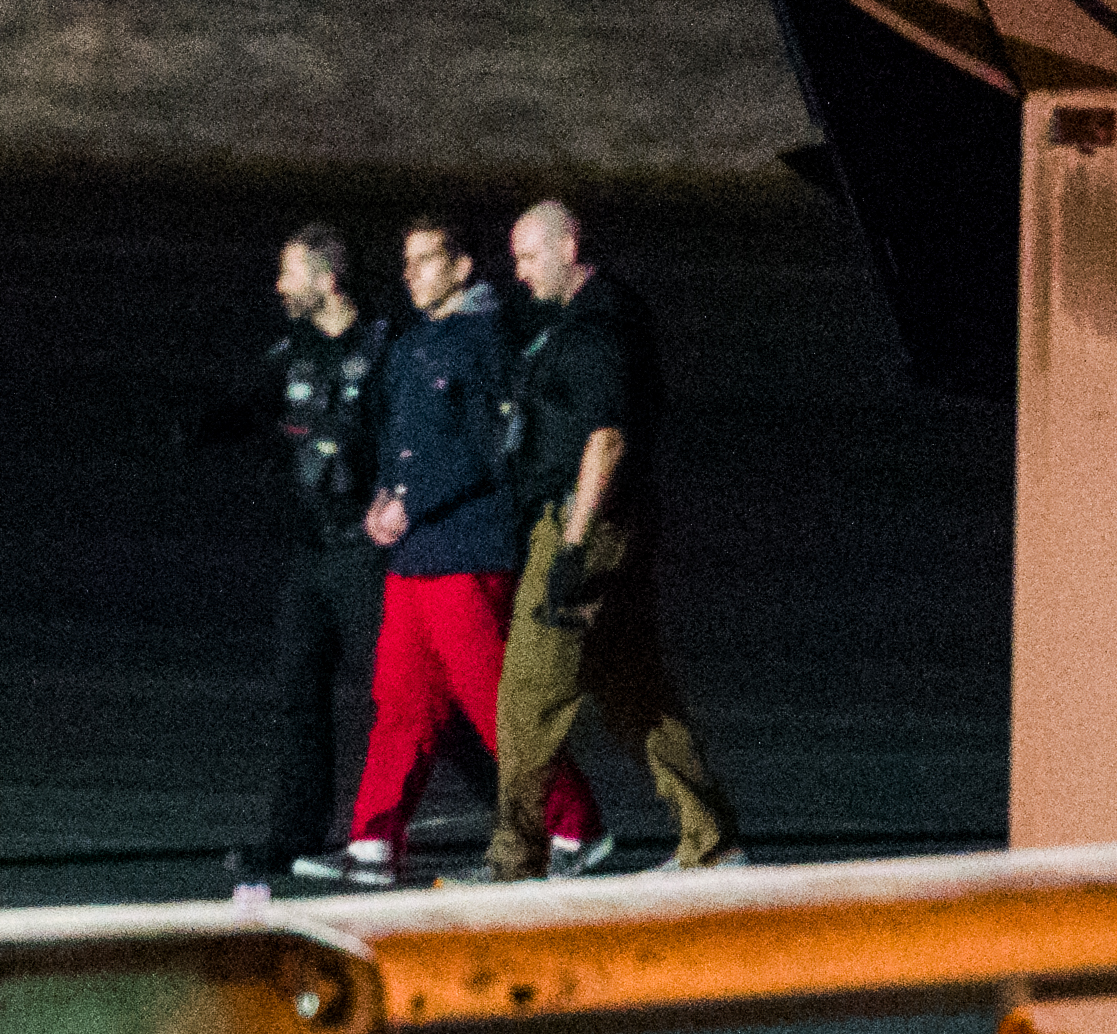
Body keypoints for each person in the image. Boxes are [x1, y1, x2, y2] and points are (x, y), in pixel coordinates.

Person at [295, 217, 603, 887]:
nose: (410, 274)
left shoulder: (485, 342)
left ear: (461, 267)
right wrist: (383, 495)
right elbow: (400, 437)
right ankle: (372, 844)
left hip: (465, 548)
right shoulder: (412, 346)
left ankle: (575, 823)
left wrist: (415, 499)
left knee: (492, 699)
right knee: (401, 697)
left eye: (425, 260)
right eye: (405, 262)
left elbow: (487, 449)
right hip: (415, 553)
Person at [188, 222, 490, 883]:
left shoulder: (384, 350)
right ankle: (293, 834)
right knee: (299, 693)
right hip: (309, 553)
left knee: (412, 697)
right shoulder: (292, 352)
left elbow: (409, 434)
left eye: (288, 272)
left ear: (325, 280)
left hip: (365, 554)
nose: (278, 285)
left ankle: (512, 802)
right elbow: (244, 405)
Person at [481, 198, 743, 880]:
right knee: (636, 692)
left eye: (529, 255)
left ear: (568, 245)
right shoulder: (576, 321)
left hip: (585, 523)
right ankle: (711, 842)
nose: (519, 272)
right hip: (601, 522)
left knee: (527, 694)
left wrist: (571, 548)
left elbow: (606, 438)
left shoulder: (600, 326)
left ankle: (514, 859)